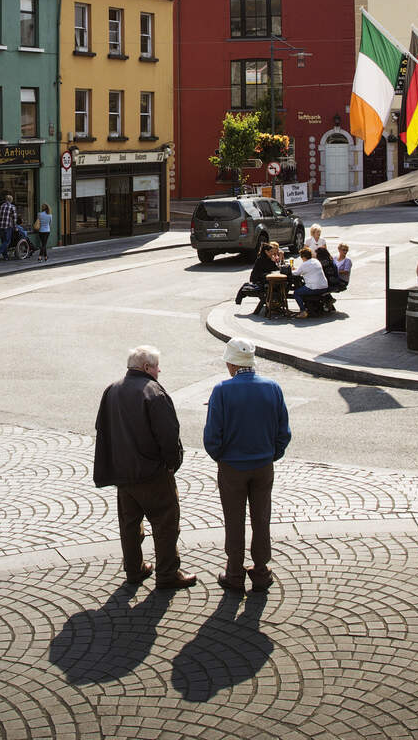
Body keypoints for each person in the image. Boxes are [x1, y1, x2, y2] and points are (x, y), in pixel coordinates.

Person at [93, 345, 197, 590]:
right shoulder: (153, 391)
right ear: (147, 367)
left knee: (129, 524)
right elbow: (169, 435)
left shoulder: (112, 390)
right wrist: (172, 464)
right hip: (152, 474)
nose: (159, 370)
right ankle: (168, 573)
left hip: (123, 474)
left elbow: (102, 429)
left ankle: (134, 569)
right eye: (157, 366)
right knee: (165, 523)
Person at [203, 338, 290, 593]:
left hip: (232, 465)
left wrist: (220, 456)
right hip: (263, 464)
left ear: (231, 364)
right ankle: (261, 571)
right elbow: (283, 430)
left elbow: (212, 435)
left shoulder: (222, 390)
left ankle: (234, 572)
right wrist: (272, 454)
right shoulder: (272, 387)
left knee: (234, 518)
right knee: (261, 518)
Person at [235, 242, 284, 310]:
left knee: (279, 285)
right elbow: (267, 271)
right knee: (273, 286)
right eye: (271, 251)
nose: (273, 253)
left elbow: (276, 269)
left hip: (264, 278)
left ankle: (275, 303)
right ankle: (272, 303)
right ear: (266, 252)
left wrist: (277, 260)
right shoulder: (261, 259)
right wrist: (274, 262)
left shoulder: (269, 258)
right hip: (258, 280)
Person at [291, 245, 328, 316]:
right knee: (303, 289)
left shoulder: (305, 264)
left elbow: (296, 273)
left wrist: (290, 270)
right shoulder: (316, 261)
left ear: (303, 257)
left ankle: (303, 311)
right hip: (324, 286)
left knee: (296, 293)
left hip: (314, 288)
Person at [0, 193, 20, 259]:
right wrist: (15, 228)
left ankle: (5, 256)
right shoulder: (12, 207)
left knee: (3, 241)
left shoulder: (2, 206)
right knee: (7, 241)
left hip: (0, 226)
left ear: (6, 200)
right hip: (7, 226)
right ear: (11, 200)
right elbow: (14, 218)